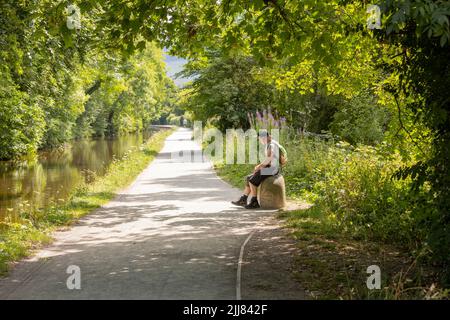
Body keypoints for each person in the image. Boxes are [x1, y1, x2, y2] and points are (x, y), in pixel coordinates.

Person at [231, 130, 287, 209]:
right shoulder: (270, 143)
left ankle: (254, 202)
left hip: (272, 170)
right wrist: (260, 167)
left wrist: (259, 166)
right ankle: (243, 199)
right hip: (270, 168)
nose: (260, 140)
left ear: (264, 137)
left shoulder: (271, 145)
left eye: (259, 139)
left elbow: (269, 159)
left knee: (252, 180)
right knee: (249, 178)